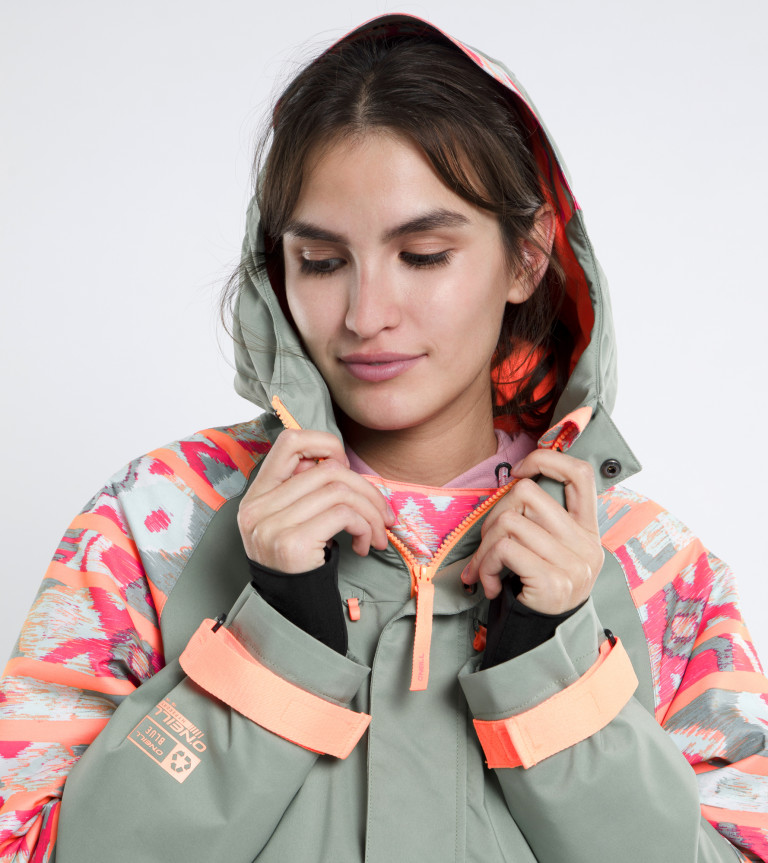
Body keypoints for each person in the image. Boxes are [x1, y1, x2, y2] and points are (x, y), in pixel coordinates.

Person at [1, 12, 766, 862]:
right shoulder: (159, 523)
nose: (366, 315)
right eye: (323, 262)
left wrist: (554, 678)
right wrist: (273, 645)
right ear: (277, 271)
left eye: (424, 253)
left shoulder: (652, 567)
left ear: (526, 257)